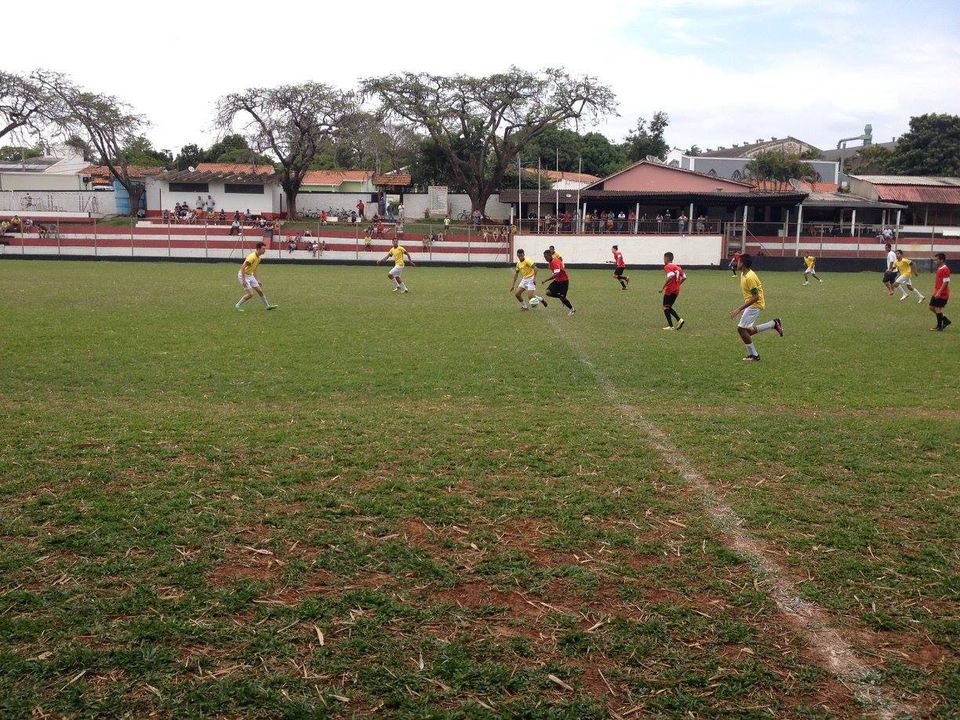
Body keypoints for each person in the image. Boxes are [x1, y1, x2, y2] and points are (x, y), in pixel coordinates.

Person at [731, 254, 782, 361]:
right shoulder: (743, 274)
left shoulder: (750, 277)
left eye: (739, 261)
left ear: (743, 264)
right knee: (746, 331)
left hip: (755, 305)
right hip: (753, 305)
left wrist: (739, 308)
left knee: (741, 330)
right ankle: (773, 323)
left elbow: (755, 297)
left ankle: (754, 355)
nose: (737, 263)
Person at [235, 242, 278, 312]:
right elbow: (242, 268)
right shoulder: (252, 257)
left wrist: (257, 279)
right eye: (263, 249)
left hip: (250, 275)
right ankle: (238, 305)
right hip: (243, 275)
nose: (264, 250)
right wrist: (243, 280)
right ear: (258, 249)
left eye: (265, 249)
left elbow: (254, 269)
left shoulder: (259, 258)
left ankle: (267, 306)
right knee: (250, 294)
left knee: (260, 291)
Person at [541, 248, 575, 315]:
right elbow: (555, 273)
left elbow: (556, 274)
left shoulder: (555, 261)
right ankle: (561, 297)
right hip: (557, 281)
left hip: (564, 281)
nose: (545, 259)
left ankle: (572, 309)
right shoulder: (550, 263)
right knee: (548, 292)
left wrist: (546, 280)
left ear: (550, 255)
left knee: (562, 298)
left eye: (546, 257)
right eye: (544, 257)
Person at [659, 251, 686, 330]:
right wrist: (678, 284)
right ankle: (679, 320)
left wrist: (663, 287)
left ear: (667, 258)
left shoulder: (667, 266)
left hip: (670, 289)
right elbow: (684, 277)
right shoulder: (678, 267)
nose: (663, 260)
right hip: (676, 290)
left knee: (665, 307)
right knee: (668, 306)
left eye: (664, 258)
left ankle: (671, 326)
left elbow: (670, 276)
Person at [929, 253, 951, 331]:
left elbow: (946, 282)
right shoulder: (939, 268)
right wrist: (936, 291)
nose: (935, 261)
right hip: (937, 291)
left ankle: (939, 326)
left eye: (937, 259)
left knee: (938, 308)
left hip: (942, 293)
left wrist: (939, 292)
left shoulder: (945, 269)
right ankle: (945, 320)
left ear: (941, 260)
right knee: (931, 307)